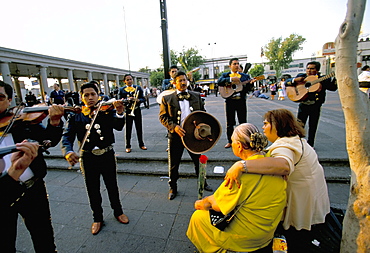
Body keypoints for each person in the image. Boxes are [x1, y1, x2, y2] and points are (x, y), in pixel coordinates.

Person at [224, 109, 330, 253]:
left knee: (297, 240)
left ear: (278, 125)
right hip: (312, 197)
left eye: (266, 123)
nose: (263, 127)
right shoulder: (294, 140)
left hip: (302, 201)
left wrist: (241, 165)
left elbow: (284, 165)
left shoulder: (285, 146)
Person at [187, 123, 286, 253]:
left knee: (198, 217)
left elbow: (217, 205)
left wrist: (201, 203)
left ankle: (217, 249)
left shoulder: (238, 176)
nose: (232, 144)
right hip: (267, 232)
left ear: (239, 146)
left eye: (233, 142)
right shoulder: (271, 162)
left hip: (247, 238)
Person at [0, 80, 64, 252]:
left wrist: (55, 122)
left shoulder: (23, 121)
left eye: (0, 97)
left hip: (31, 189)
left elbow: (48, 140)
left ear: (9, 100)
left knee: (43, 238)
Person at [62, 81, 129, 235]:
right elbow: (67, 136)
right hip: (87, 157)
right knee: (92, 189)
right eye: (86, 95)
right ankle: (97, 218)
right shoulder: (76, 115)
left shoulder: (106, 110)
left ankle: (118, 212)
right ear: (81, 97)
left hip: (107, 154)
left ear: (98, 95)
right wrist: (68, 151)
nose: (90, 98)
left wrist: (119, 112)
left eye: (93, 94)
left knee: (112, 185)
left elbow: (118, 126)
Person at [159, 71, 213, 200]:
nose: (183, 83)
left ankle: (203, 183)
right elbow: (162, 117)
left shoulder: (196, 96)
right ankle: (173, 187)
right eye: (180, 80)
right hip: (176, 136)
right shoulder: (167, 98)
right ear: (174, 83)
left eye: (184, 80)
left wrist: (201, 126)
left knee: (198, 162)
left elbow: (202, 113)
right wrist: (174, 127)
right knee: (174, 163)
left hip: (194, 136)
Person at [285, 61, 337, 147]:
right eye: (308, 68)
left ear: (317, 70)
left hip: (315, 105)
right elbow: (287, 82)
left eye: (312, 68)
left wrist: (336, 78)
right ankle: (298, 143)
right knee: (299, 125)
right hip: (303, 105)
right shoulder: (302, 77)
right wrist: (295, 80)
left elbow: (333, 88)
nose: (309, 70)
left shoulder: (322, 79)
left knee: (313, 126)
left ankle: (310, 144)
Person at [217, 58, 254, 148]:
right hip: (230, 101)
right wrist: (230, 79)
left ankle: (244, 140)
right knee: (230, 123)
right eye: (234, 64)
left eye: (238, 64)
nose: (237, 65)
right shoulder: (225, 75)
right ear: (230, 66)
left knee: (243, 122)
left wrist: (251, 84)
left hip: (241, 101)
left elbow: (248, 89)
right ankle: (230, 141)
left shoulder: (244, 76)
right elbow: (219, 82)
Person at [119, 74, 147, 153]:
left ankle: (141, 144)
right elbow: (120, 99)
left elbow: (143, 98)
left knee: (139, 128)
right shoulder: (122, 89)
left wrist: (137, 100)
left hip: (137, 110)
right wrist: (126, 100)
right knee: (128, 129)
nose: (129, 81)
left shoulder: (137, 88)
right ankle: (128, 146)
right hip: (128, 111)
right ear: (124, 81)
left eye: (130, 79)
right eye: (127, 80)